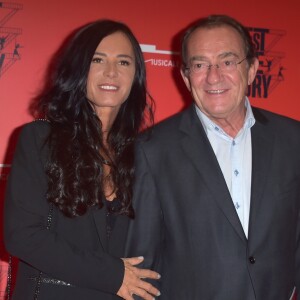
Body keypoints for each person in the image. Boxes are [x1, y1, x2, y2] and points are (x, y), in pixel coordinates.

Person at [125, 14, 300, 300]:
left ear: (253, 69)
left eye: (228, 61)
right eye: (199, 65)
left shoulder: (293, 140)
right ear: (185, 77)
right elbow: (141, 269)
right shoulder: (152, 150)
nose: (213, 76)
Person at [4, 19, 160, 300]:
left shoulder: (144, 155)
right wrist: (111, 275)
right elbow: (23, 236)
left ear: (135, 75)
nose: (111, 72)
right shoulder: (41, 139)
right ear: (78, 69)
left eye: (123, 62)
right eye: (97, 59)